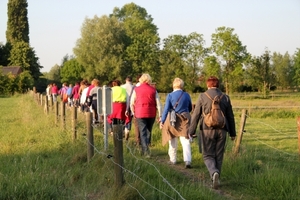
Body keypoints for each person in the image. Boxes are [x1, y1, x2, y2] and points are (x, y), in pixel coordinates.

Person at [189, 76, 236, 190]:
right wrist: (233, 133)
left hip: (207, 130)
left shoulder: (202, 96)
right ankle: (217, 178)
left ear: (207, 85)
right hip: (222, 130)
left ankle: (213, 172)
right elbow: (230, 116)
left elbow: (195, 115)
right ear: (218, 85)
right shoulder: (225, 97)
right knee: (219, 156)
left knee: (207, 155)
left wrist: (191, 131)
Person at [160, 78, 193, 169]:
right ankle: (187, 160)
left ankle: (173, 159)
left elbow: (166, 109)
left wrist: (162, 121)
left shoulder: (170, 95)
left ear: (173, 85)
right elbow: (190, 107)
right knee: (185, 140)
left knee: (172, 139)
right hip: (184, 119)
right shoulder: (187, 95)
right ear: (182, 85)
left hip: (172, 119)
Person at [130, 73, 162, 157]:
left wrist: (133, 112)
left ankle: (145, 150)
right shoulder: (153, 90)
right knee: (148, 131)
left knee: (142, 131)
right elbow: (158, 103)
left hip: (139, 113)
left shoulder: (136, 89)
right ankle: (146, 147)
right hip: (151, 113)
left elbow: (132, 102)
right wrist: (160, 115)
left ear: (141, 80)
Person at [122, 76, 134, 140]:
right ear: (131, 81)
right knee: (130, 118)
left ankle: (124, 129)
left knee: (123, 118)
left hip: (123, 104)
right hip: (131, 104)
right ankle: (127, 130)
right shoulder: (133, 87)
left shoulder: (122, 87)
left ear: (126, 80)